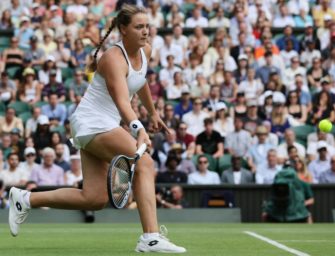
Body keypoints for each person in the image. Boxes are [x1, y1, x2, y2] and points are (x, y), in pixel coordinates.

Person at [8, 5, 186, 254]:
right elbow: (123, 101)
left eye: (147, 26)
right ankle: (150, 237)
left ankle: (25, 199)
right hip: (92, 122)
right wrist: (138, 129)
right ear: (123, 29)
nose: (145, 31)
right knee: (145, 163)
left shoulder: (145, 50)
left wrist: (153, 112)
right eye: (138, 27)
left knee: (94, 198)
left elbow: (140, 80)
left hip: (101, 124)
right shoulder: (113, 58)